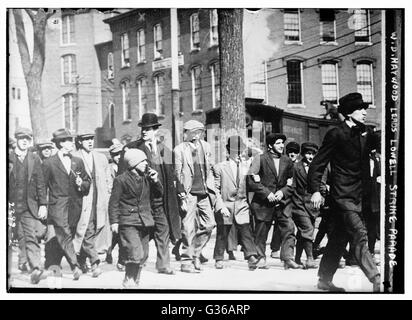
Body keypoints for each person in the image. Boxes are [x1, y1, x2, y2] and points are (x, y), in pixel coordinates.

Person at [308, 92, 381, 292]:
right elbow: (318, 163)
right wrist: (315, 190)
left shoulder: (365, 133)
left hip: (361, 196)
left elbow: (384, 143)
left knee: (339, 239)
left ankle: (324, 279)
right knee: (359, 234)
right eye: (361, 109)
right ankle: (377, 279)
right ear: (349, 113)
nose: (365, 112)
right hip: (342, 196)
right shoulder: (336, 133)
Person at [118, 113, 182, 275]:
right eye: (143, 129)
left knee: (164, 229)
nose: (145, 132)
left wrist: (180, 193)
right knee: (142, 231)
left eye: (148, 129)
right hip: (141, 199)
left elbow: (173, 175)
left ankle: (163, 264)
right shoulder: (133, 148)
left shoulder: (165, 150)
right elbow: (122, 175)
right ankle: (134, 261)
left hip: (162, 198)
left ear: (155, 130)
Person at [109, 149, 163, 288]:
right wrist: (114, 221)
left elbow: (158, 194)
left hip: (145, 220)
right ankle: (128, 278)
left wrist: (156, 180)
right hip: (127, 221)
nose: (146, 163)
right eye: (142, 161)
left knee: (143, 255)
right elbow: (113, 203)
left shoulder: (148, 178)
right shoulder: (121, 180)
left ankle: (135, 280)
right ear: (133, 163)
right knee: (135, 252)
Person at [42, 128, 91, 280]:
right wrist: (43, 205)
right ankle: (74, 265)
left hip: (75, 205)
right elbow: (41, 186)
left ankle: (51, 264)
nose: (71, 143)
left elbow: (88, 183)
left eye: (71, 140)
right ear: (60, 144)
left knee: (62, 236)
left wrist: (81, 183)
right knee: (64, 234)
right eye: (68, 140)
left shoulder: (78, 161)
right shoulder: (49, 163)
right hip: (57, 205)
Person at [247, 133, 300, 269]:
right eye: (278, 143)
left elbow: (292, 183)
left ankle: (287, 258)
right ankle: (260, 258)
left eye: (282, 143)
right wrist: (266, 193)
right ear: (270, 145)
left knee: (289, 227)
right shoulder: (259, 159)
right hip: (264, 204)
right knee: (261, 231)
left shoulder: (287, 161)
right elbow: (251, 181)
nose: (282, 145)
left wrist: (282, 192)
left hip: (282, 203)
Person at [174, 120, 217, 273]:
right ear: (187, 133)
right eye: (194, 132)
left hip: (204, 192)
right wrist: (182, 197)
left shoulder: (206, 147)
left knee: (210, 224)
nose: (197, 134)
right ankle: (186, 261)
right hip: (189, 193)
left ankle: (196, 253)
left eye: (200, 131)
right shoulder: (179, 150)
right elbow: (178, 176)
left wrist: (213, 189)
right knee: (187, 228)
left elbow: (210, 169)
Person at [213, 136, 259, 270]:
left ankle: (251, 256)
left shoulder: (248, 168)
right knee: (223, 232)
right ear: (229, 151)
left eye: (240, 151)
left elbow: (252, 185)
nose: (238, 154)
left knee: (245, 230)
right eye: (235, 151)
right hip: (225, 205)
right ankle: (219, 257)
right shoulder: (219, 167)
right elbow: (215, 190)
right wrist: (220, 206)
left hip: (242, 204)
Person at [9, 128, 48, 284]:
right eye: (21, 138)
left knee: (30, 235)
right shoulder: (9, 158)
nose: (25, 141)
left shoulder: (34, 158)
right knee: (19, 236)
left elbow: (40, 183)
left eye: (28, 138)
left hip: (28, 205)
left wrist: (43, 204)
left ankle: (36, 267)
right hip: (11, 205)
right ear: (16, 139)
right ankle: (22, 262)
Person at [72, 130, 111, 277]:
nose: (90, 142)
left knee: (94, 230)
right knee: (86, 231)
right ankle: (94, 263)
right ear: (80, 141)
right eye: (86, 139)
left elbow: (108, 179)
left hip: (99, 201)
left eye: (91, 139)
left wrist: (108, 194)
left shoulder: (101, 158)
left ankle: (82, 261)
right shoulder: (74, 157)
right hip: (82, 201)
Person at [270, 141, 300, 259]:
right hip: (284, 198)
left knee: (292, 226)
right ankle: (275, 248)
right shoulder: (282, 164)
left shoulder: (299, 165)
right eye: (290, 152)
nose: (292, 154)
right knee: (280, 224)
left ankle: (290, 251)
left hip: (296, 198)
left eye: (295, 152)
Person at [291, 142, 320, 269]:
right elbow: (292, 187)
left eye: (313, 154)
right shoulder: (295, 167)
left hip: (313, 206)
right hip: (298, 204)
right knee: (307, 229)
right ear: (303, 154)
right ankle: (309, 258)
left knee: (303, 232)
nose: (311, 157)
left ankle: (297, 258)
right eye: (308, 153)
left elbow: (321, 185)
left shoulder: (318, 168)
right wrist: (296, 203)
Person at [105, 142, 126, 270]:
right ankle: (109, 250)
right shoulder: (109, 169)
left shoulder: (126, 167)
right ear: (112, 156)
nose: (118, 157)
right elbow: (108, 186)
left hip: (124, 203)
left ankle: (120, 258)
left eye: (120, 154)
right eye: (115, 155)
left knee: (122, 232)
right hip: (113, 202)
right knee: (114, 231)